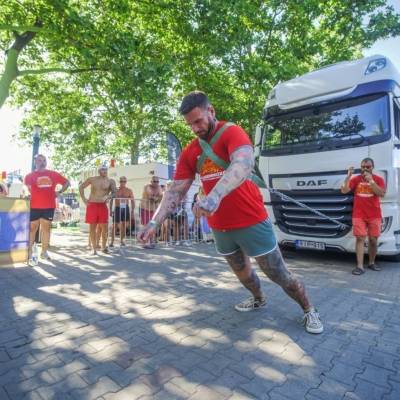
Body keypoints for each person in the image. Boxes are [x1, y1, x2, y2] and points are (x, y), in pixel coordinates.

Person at [138, 91, 323, 334]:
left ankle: (309, 310)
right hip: (221, 227)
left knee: (278, 274)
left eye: (198, 121)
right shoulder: (192, 151)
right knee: (242, 274)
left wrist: (214, 196)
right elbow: (175, 191)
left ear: (211, 111)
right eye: (190, 124)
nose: (195, 128)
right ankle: (258, 299)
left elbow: (242, 164)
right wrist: (154, 223)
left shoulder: (231, 132)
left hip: (251, 221)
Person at [341, 158, 386, 275]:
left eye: (368, 167)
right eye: (363, 167)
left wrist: (371, 181)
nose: (365, 169)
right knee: (360, 238)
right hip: (359, 214)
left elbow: (381, 193)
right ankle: (360, 266)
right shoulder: (356, 179)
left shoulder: (378, 179)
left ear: (373, 167)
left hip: (374, 215)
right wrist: (348, 176)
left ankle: (371, 262)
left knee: (373, 240)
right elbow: (344, 190)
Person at [24, 154, 70, 262]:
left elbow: (67, 182)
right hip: (34, 206)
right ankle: (29, 252)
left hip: (48, 206)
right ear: (35, 162)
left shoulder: (53, 174)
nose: (42, 162)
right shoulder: (29, 176)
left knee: (46, 229)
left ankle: (44, 252)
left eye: (44, 160)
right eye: (39, 160)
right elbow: (25, 188)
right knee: (32, 229)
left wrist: (59, 192)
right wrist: (27, 194)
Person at [79, 166, 116, 254]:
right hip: (92, 205)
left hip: (102, 206)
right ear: (99, 171)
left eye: (106, 169)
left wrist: (109, 196)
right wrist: (84, 199)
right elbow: (81, 187)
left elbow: (114, 192)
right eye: (103, 169)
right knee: (92, 228)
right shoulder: (92, 179)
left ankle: (104, 247)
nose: (105, 171)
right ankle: (94, 249)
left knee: (105, 228)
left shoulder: (111, 181)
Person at [110, 176, 135, 247]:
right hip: (117, 207)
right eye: (121, 181)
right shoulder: (115, 190)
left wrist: (132, 211)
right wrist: (110, 210)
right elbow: (111, 200)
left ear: (126, 182)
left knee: (124, 225)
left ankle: (122, 241)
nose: (123, 183)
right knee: (115, 225)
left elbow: (132, 201)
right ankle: (112, 242)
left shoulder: (129, 190)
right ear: (119, 182)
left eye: (124, 181)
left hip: (125, 208)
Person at [139, 176, 163, 248]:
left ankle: (151, 241)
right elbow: (151, 197)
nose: (156, 183)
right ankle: (144, 242)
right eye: (154, 181)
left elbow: (161, 197)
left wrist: (157, 198)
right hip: (145, 209)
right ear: (151, 181)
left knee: (152, 226)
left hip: (153, 211)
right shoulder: (147, 186)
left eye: (157, 181)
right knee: (146, 226)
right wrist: (157, 198)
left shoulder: (159, 187)